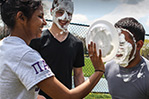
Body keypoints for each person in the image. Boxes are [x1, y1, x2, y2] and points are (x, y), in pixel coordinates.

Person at [0, 0, 105, 99]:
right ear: (21, 17)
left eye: (69, 13)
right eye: (40, 16)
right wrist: (99, 71)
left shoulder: (4, 46)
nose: (45, 22)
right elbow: (67, 97)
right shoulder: (26, 54)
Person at [29, 0, 85, 98]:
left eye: (69, 13)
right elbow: (27, 72)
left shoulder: (77, 44)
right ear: (52, 11)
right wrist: (34, 96)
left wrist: (80, 96)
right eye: (60, 12)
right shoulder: (37, 39)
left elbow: (78, 74)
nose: (65, 17)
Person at [105, 17, 149, 99]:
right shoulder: (109, 67)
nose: (116, 48)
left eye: (121, 43)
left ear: (138, 45)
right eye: (115, 42)